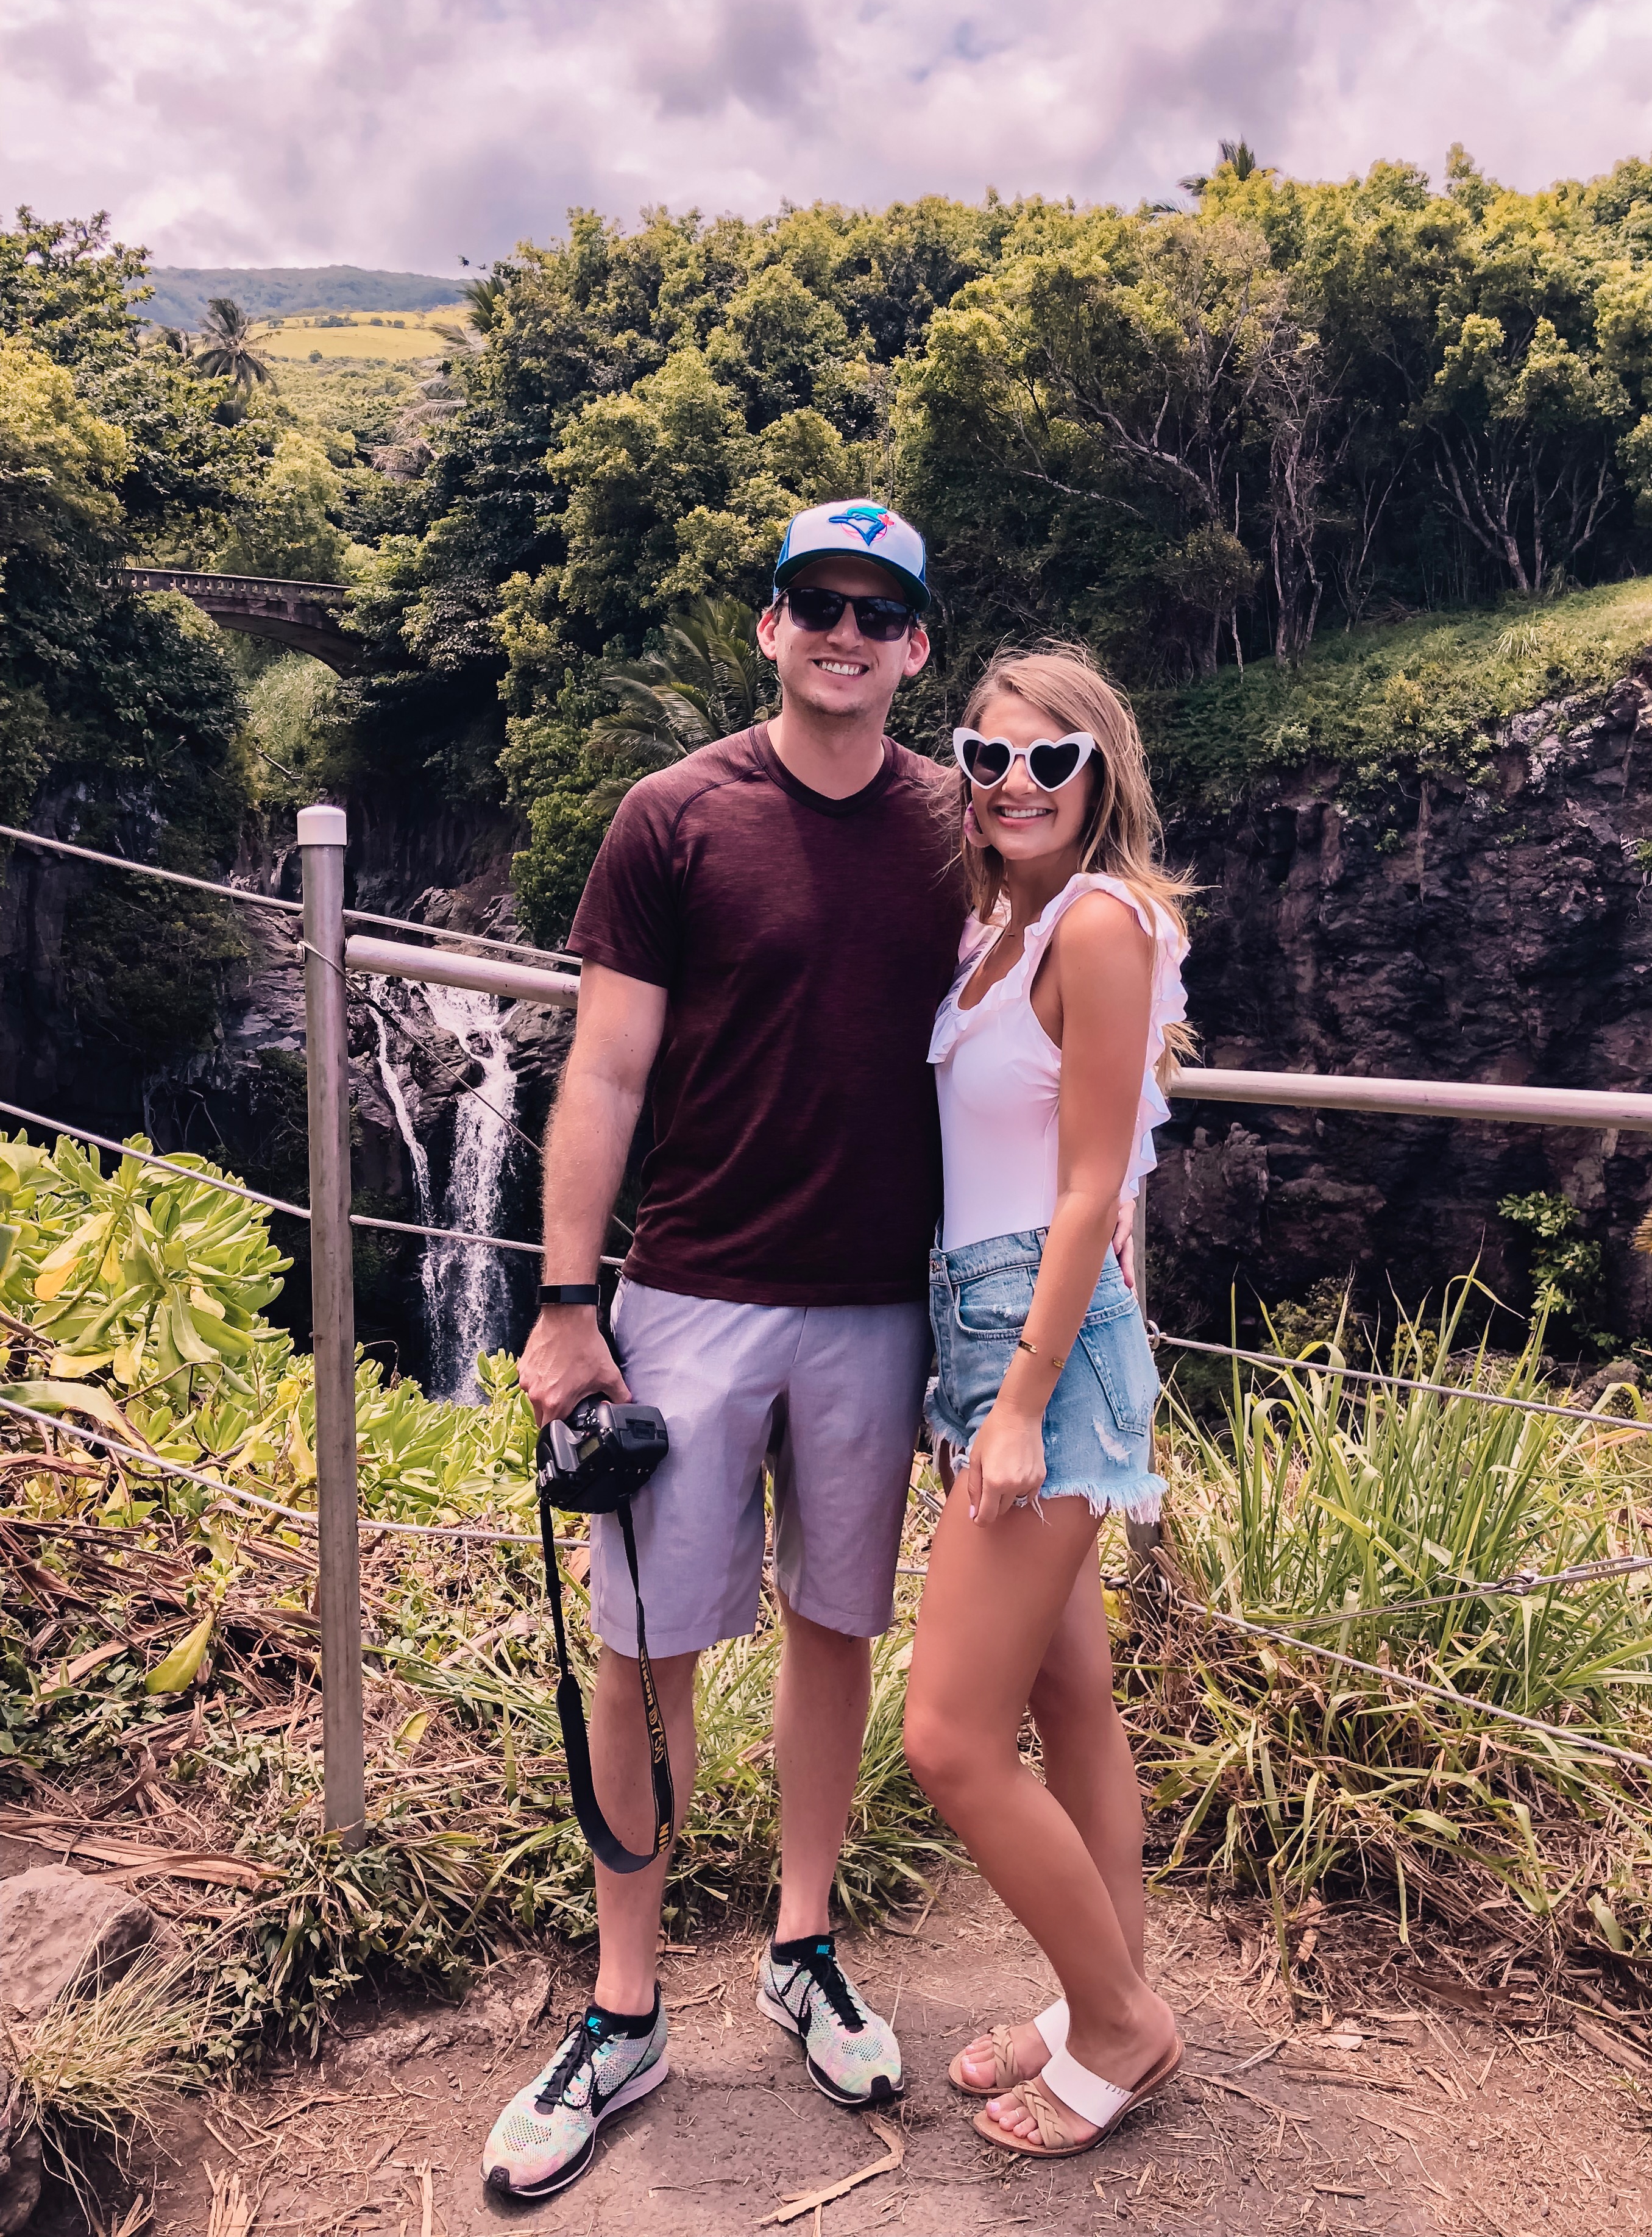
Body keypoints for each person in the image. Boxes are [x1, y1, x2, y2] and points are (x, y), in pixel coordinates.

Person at [480, 500, 966, 2202]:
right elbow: (602, 1072)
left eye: (877, 611)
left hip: (878, 1305)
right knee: (644, 1648)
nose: (844, 633)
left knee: (838, 1626)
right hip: (687, 1295)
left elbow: (1069, 999)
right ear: (771, 627)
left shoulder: (965, 826)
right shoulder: (673, 817)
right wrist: (563, 1299)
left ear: (916, 645)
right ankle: (625, 2010)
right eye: (816, 605)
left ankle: (802, 1944)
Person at [902, 642, 1191, 2160]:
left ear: (1100, 777)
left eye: (1050, 758)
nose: (1014, 780)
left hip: (1040, 1341)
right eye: (988, 753)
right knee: (1068, 1700)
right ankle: (1100, 1999)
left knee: (947, 1737)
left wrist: (1015, 1403)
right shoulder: (990, 933)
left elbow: (1088, 1192)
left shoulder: (1098, 925)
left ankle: (1129, 2026)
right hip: (982, 1325)